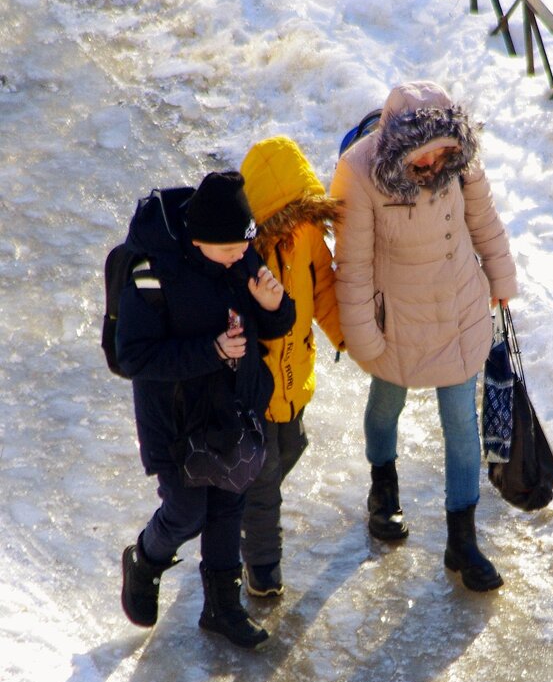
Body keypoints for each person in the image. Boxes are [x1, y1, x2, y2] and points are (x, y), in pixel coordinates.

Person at [330, 80, 517, 591]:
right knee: (387, 402)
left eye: (445, 153)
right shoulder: (360, 171)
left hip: (458, 308)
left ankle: (463, 541)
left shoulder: (458, 160)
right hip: (401, 320)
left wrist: (501, 281)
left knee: (461, 422)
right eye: (426, 154)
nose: (436, 164)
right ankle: (383, 491)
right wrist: (366, 338)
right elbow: (354, 264)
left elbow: (483, 219)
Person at [117, 171, 296, 649]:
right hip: (175, 418)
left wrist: (275, 307)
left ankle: (223, 607)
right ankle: (144, 559)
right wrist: (212, 351)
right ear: (199, 240)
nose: (242, 256)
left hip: (233, 406)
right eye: (230, 250)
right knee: (187, 510)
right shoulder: (152, 272)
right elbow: (134, 356)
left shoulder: (239, 252)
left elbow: (275, 322)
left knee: (228, 506)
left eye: (244, 246)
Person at [238, 136, 345, 596]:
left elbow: (323, 292)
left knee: (291, 449)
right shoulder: (245, 257)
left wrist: (347, 337)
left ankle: (234, 507)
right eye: (283, 220)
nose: (292, 227)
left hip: (295, 375)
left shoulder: (307, 237)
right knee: (263, 481)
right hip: (257, 386)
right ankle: (263, 568)